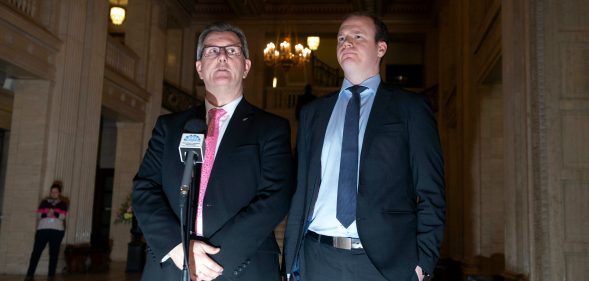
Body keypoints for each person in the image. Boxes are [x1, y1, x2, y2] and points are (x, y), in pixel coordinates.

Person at [283, 12, 445, 281]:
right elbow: (300, 191)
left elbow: (432, 191)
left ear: (381, 48)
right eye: (341, 38)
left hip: (384, 263)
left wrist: (423, 261)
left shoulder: (411, 109)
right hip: (317, 258)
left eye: (358, 37)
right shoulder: (314, 113)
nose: (347, 43)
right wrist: (291, 261)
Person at [133, 21, 294, 281]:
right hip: (171, 268)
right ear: (199, 68)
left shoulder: (271, 128)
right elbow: (144, 189)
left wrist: (212, 261)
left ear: (246, 66)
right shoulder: (169, 127)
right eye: (211, 51)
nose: (221, 56)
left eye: (232, 51)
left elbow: (275, 197)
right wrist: (179, 248)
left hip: (242, 268)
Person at [25, 182, 68, 281]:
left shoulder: (63, 204)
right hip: (42, 230)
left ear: (59, 193)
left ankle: (51, 276)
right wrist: (47, 215)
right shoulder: (44, 202)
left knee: (54, 253)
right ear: (50, 192)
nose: (53, 194)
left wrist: (54, 213)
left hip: (57, 231)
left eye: (56, 192)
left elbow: (63, 216)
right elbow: (39, 215)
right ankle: (29, 274)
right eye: (52, 192)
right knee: (36, 252)